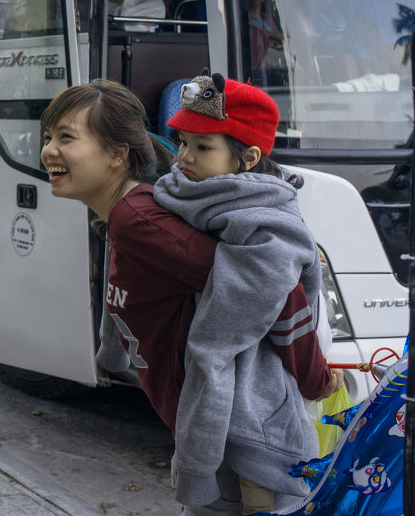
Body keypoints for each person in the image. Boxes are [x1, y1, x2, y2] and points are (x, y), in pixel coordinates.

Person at [39, 78, 335, 516]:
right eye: (48, 137)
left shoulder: (139, 218)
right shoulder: (139, 211)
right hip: (221, 440)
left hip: (248, 443)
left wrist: (316, 378)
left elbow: (277, 286)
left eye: (66, 137)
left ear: (119, 153)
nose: (48, 150)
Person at [156, 72, 341, 515]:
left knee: (260, 499)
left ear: (248, 157)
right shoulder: (180, 200)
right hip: (214, 402)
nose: (184, 158)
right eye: (181, 142)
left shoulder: (264, 225)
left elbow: (289, 317)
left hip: (256, 408)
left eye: (203, 148)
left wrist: (317, 380)